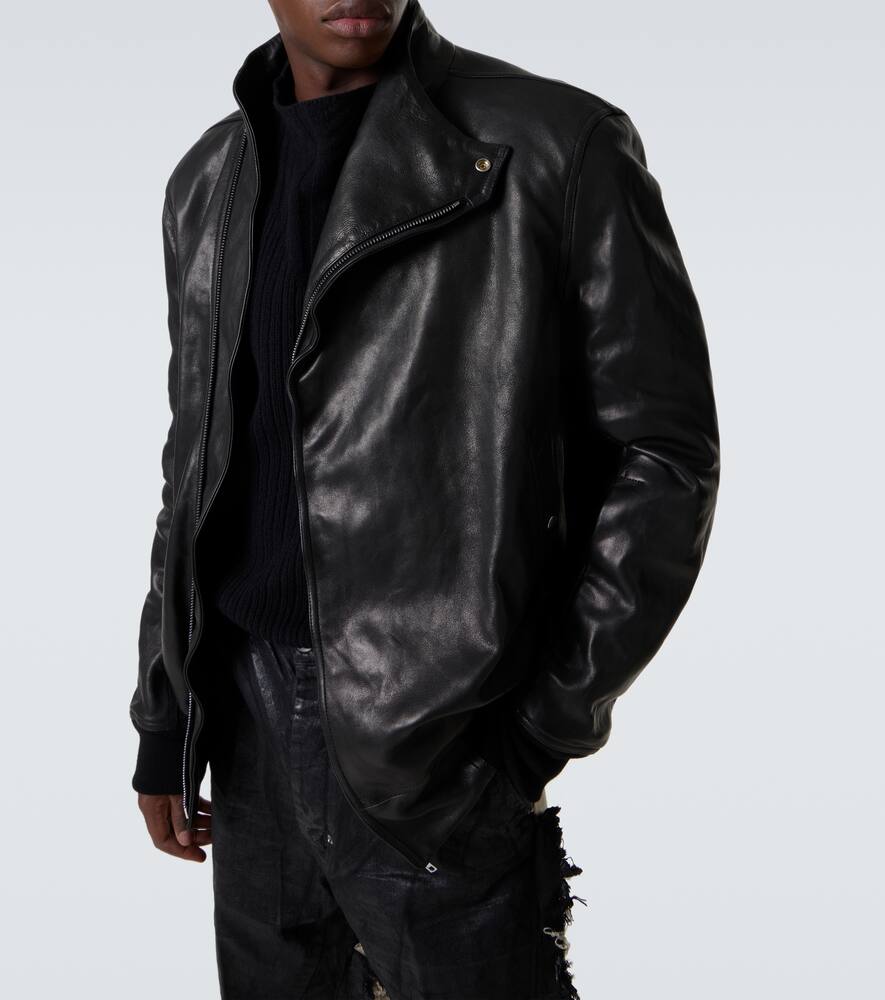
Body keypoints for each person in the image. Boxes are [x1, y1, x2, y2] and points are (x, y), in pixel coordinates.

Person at [129, 1, 720, 996]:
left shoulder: (555, 142)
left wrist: (541, 724)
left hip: (442, 738)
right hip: (242, 721)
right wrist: (166, 715)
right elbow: (194, 465)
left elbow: (663, 454)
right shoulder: (208, 180)